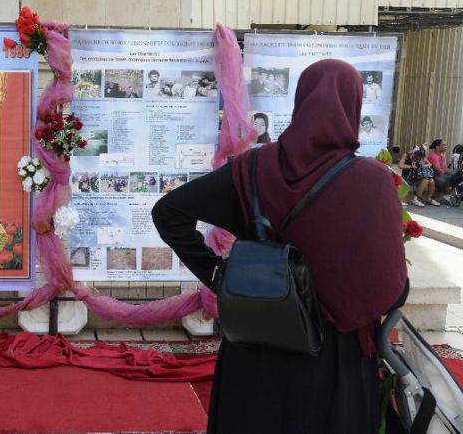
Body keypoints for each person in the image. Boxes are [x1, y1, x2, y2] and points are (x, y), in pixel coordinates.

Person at [152, 59, 407, 433]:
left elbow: (168, 212)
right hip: (333, 360)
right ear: (354, 106)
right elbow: (393, 293)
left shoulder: (254, 168)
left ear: (301, 102)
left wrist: (219, 278)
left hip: (256, 345)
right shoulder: (371, 181)